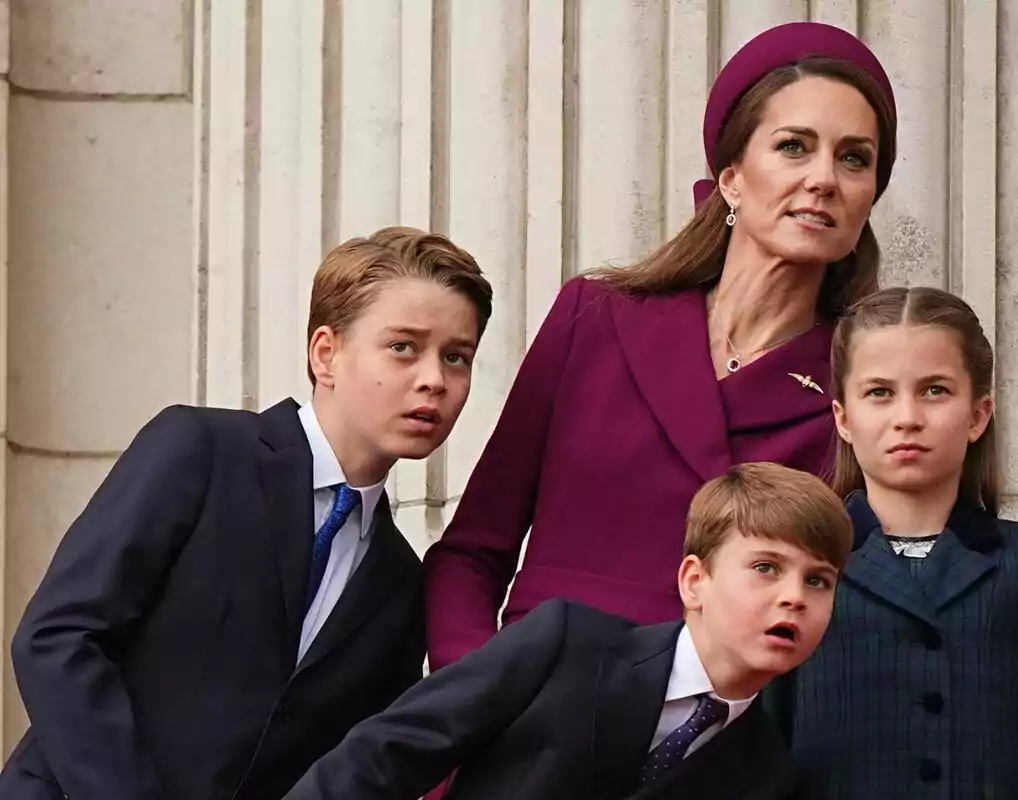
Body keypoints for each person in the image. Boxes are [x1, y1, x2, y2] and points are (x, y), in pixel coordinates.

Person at [425, 21, 899, 675]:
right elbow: (472, 553)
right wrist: (472, 707)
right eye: (794, 146)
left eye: (854, 158)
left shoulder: (861, 390)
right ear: (731, 177)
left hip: (712, 749)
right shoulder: (594, 318)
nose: (824, 178)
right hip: (528, 726)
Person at [0, 227, 493, 800]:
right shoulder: (200, 450)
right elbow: (58, 637)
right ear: (325, 354)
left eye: (457, 357)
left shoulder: (402, 581)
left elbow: (358, 768)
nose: (434, 379)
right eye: (403, 346)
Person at [283, 463, 853, 800]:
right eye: (766, 567)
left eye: (819, 581)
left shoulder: (769, 776)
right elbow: (389, 751)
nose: (793, 597)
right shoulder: (567, 642)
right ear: (693, 580)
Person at [769, 286, 1018, 798]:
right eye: (879, 392)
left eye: (935, 390)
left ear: (977, 415)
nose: (907, 418)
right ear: (844, 419)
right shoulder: (796, 562)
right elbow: (753, 751)